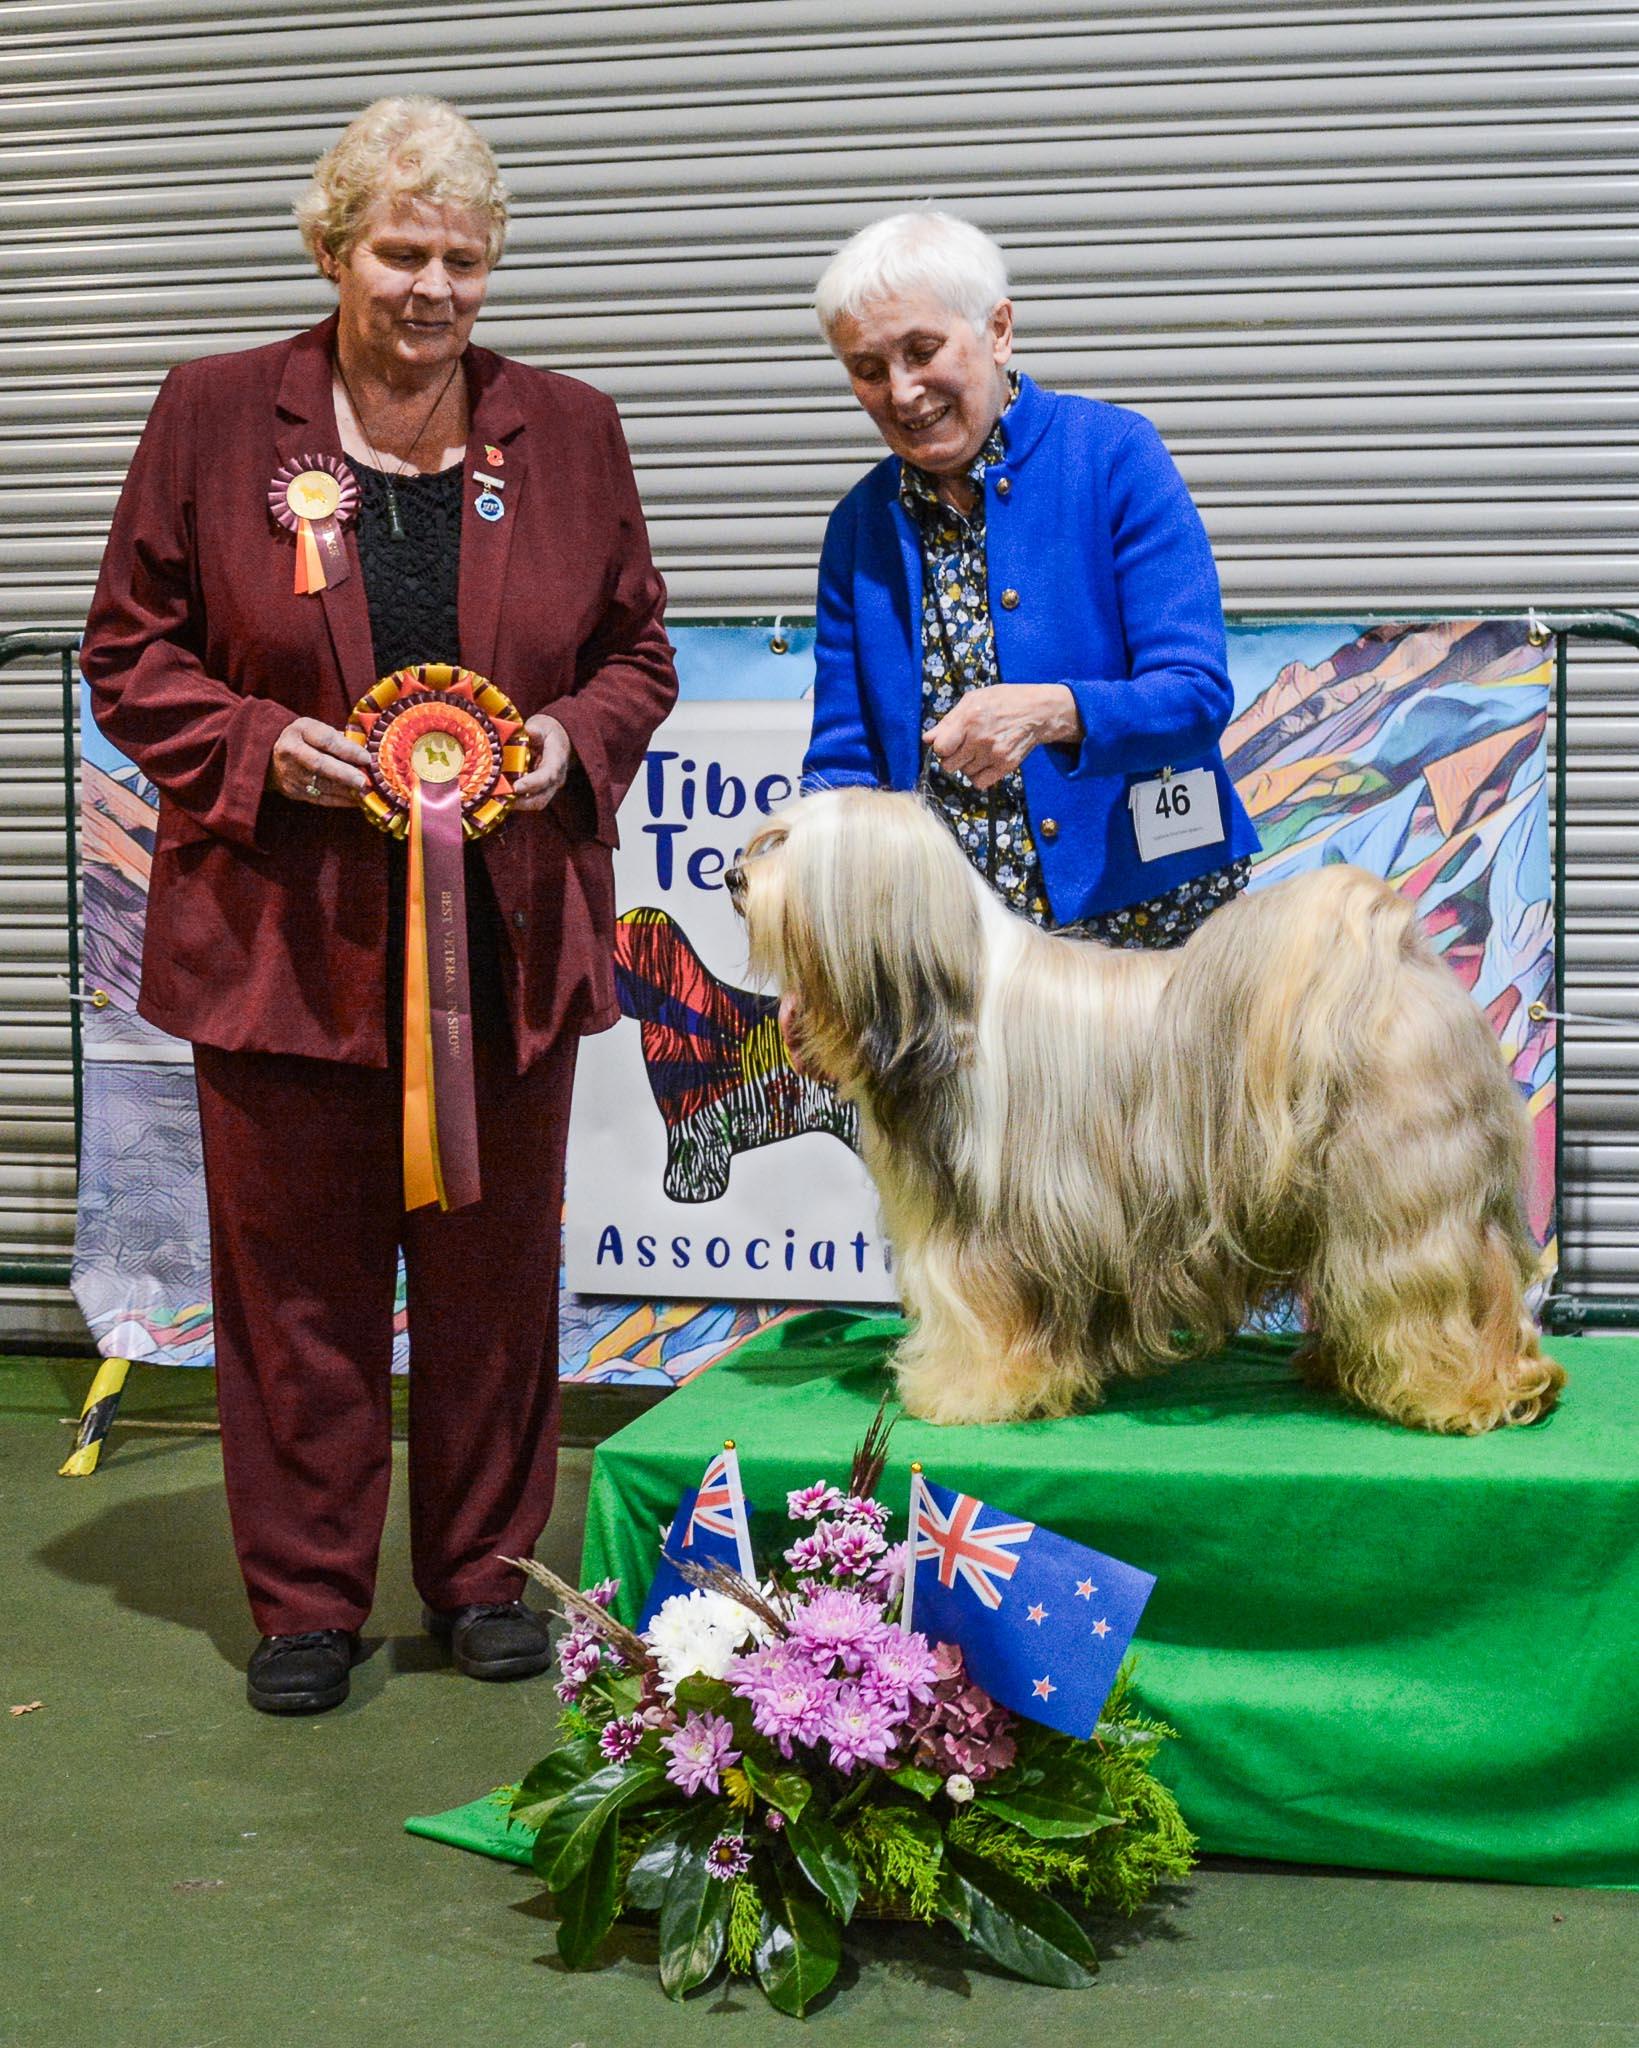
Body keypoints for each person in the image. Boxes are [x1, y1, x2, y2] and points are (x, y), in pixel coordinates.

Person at [80, 97, 676, 1715]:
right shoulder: (216, 415)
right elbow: (129, 651)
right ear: (331, 247)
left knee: (493, 1282)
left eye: (463, 259)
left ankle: (485, 1573)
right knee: (295, 1294)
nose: (432, 287)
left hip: (509, 941)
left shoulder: (567, 426)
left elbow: (637, 649)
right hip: (281, 945)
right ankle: (305, 1600)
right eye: (400, 252)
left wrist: (567, 740)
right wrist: (267, 748)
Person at [803, 210, 1258, 947]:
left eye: (923, 350)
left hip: (1148, 922)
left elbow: (1195, 694)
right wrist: (818, 954)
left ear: (998, 331)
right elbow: (842, 767)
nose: (902, 391)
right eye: (867, 369)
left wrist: (1052, 713)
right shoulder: (857, 528)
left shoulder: (1113, 454)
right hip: (951, 947)